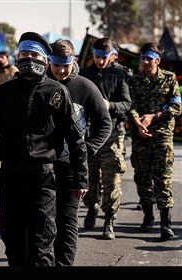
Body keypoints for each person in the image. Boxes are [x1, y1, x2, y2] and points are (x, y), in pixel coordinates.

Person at [0, 31, 88, 267]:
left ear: (45, 60)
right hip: (9, 176)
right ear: (16, 58)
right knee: (13, 239)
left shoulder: (57, 92)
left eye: (33, 54)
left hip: (42, 177)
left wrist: (81, 177)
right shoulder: (2, 94)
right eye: (24, 54)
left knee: (42, 240)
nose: (28, 59)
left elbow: (75, 138)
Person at [47, 39, 112, 266]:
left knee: (67, 222)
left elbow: (105, 123)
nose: (61, 70)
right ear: (48, 61)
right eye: (56, 65)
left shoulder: (85, 87)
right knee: (42, 222)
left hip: (71, 168)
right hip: (41, 166)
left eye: (66, 65)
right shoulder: (40, 83)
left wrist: (87, 149)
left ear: (73, 60)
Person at [127, 43, 182, 240]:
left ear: (157, 60)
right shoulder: (134, 81)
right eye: (142, 58)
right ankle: (148, 216)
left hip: (162, 136)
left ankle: (165, 224)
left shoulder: (169, 78)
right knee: (142, 178)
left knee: (162, 179)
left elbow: (176, 106)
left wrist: (154, 116)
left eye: (148, 58)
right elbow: (129, 106)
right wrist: (138, 123)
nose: (144, 62)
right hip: (140, 137)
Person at [79, 37, 132, 240]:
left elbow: (127, 104)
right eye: (97, 56)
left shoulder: (120, 75)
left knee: (112, 180)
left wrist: (109, 105)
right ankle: (92, 205)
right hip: (88, 134)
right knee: (89, 178)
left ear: (113, 56)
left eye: (104, 57)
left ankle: (109, 219)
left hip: (112, 134)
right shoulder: (84, 74)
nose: (100, 60)